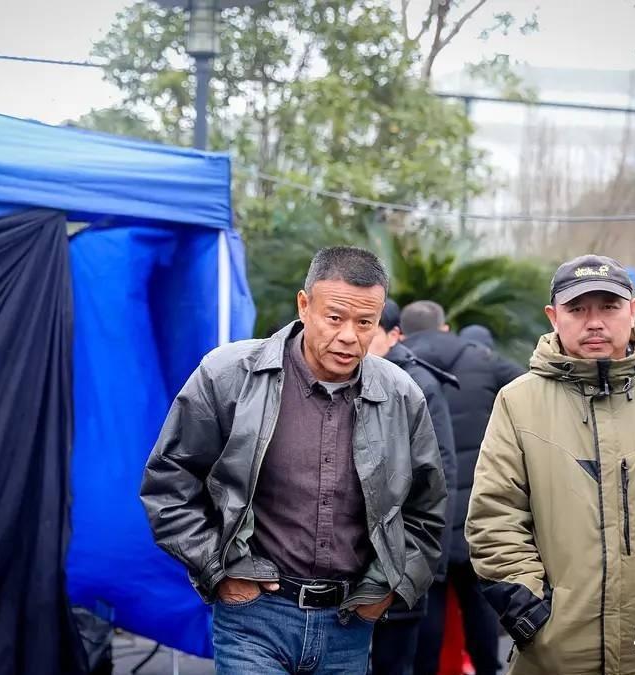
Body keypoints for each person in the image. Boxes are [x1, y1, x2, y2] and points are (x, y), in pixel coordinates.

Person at [141, 246, 447, 674]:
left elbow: (426, 509)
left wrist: (388, 589)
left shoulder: (400, 395)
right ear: (304, 305)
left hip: (348, 625)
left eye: (365, 322)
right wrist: (218, 569)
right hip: (253, 619)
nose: (349, 336)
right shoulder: (229, 376)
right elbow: (169, 482)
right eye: (335, 317)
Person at [466, 254, 635, 675]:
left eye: (609, 307)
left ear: (632, 310)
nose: (594, 322)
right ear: (553, 317)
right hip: (556, 655)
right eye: (577, 309)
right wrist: (532, 615)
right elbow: (494, 516)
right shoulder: (518, 402)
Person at [400, 301, 525, 675]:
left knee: (428, 606)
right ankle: (489, 669)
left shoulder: (397, 365)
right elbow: (532, 388)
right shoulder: (483, 359)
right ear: (445, 327)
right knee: (479, 604)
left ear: (401, 332)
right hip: (476, 508)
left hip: (423, 513)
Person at [368, 299, 459, 675]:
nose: (352, 337)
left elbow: (441, 475)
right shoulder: (348, 377)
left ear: (394, 335)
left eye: (367, 327)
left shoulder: (416, 385)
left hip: (402, 560)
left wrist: (424, 567)